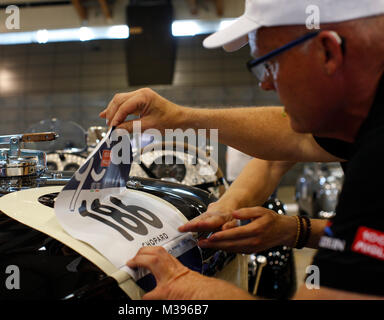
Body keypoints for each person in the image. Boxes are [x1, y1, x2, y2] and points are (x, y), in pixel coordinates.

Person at [100, 0, 384, 299]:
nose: (266, 85)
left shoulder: (377, 157)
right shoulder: (361, 116)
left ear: (328, 52)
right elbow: (287, 145)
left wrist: (193, 292)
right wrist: (285, 226)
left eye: (269, 65)